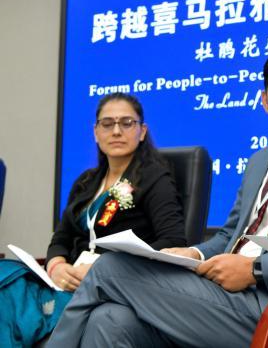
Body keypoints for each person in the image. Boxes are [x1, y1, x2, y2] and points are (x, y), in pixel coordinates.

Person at [48, 41, 268, 348]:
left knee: (110, 268)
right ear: (265, 101)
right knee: (110, 319)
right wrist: (193, 253)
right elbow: (229, 236)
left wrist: (256, 270)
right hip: (223, 299)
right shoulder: (259, 162)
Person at [0, 92, 186, 346]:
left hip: (111, 284)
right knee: (7, 277)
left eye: (127, 123)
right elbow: (61, 238)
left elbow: (173, 241)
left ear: (142, 132)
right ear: (96, 133)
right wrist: (56, 266)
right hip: (68, 281)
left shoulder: (155, 179)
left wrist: (111, 266)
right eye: (107, 124)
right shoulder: (86, 181)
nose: (116, 131)